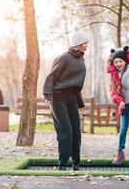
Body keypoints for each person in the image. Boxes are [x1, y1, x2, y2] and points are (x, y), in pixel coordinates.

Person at [43, 30, 89, 171]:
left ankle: (76, 163)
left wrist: (79, 102)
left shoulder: (81, 59)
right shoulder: (63, 58)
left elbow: (76, 84)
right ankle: (62, 164)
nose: (87, 45)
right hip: (58, 98)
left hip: (72, 98)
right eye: (85, 43)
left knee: (76, 131)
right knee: (66, 131)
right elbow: (51, 77)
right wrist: (47, 94)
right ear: (78, 44)